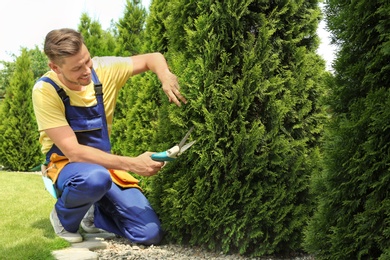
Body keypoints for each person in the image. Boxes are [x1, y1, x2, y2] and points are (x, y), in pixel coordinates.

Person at [32, 28, 187, 244]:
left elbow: (153, 58)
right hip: (68, 167)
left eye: (87, 61)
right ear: (55, 67)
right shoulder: (45, 90)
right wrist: (133, 164)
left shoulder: (104, 69)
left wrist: (165, 76)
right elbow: (74, 152)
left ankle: (93, 215)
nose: (87, 70)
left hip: (103, 167)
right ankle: (64, 217)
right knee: (94, 178)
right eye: (77, 68)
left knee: (149, 233)